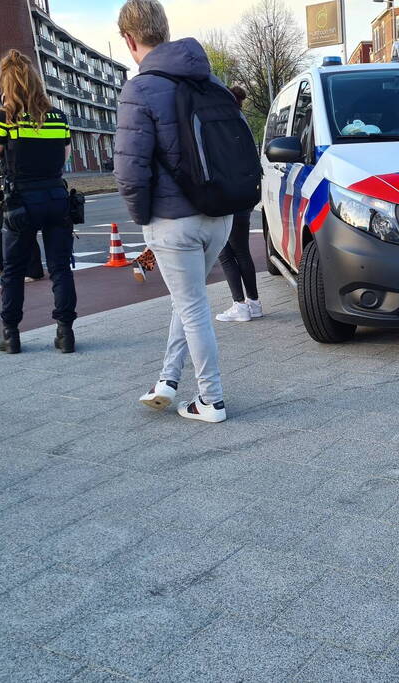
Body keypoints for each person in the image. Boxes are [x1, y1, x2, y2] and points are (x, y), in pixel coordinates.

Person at [114, 0, 230, 423]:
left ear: (129, 40)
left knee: (193, 307)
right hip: (219, 215)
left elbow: (130, 169)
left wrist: (145, 217)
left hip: (172, 220)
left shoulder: (140, 89)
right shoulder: (208, 80)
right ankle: (166, 380)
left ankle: (211, 400)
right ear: (163, 29)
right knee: (189, 302)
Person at [0, 49, 77, 354]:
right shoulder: (58, 116)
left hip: (21, 203)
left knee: (13, 271)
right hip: (56, 197)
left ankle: (11, 335)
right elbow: (65, 156)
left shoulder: (7, 117)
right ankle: (65, 333)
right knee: (61, 267)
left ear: (7, 84)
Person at [215, 85, 262, 323]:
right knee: (242, 250)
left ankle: (239, 305)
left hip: (225, 196)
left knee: (225, 253)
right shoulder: (241, 123)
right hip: (244, 194)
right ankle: (254, 303)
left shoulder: (218, 126)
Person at [0, 165, 44, 281]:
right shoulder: (6, 157)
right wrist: (0, 203)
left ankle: (34, 271)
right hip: (8, 196)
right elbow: (2, 179)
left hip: (25, 194)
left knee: (27, 232)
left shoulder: (19, 152)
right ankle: (0, 265)